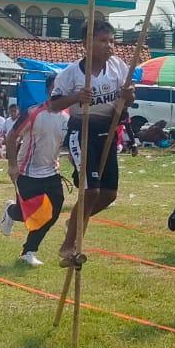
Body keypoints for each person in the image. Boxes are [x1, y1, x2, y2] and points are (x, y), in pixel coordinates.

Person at [49, 20, 134, 265]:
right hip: (82, 131)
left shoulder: (118, 67)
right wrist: (77, 97)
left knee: (108, 194)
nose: (109, 46)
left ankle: (74, 221)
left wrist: (129, 96)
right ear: (87, 44)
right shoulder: (72, 73)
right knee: (90, 190)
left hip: (108, 131)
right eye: (102, 41)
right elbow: (54, 105)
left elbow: (126, 100)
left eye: (111, 41)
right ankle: (69, 243)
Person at [0, 100, 71, 267]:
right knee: (31, 214)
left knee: (52, 213)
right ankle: (11, 211)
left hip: (52, 172)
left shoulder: (67, 117)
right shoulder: (33, 112)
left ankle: (29, 251)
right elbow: (12, 136)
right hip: (27, 171)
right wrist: (12, 164)